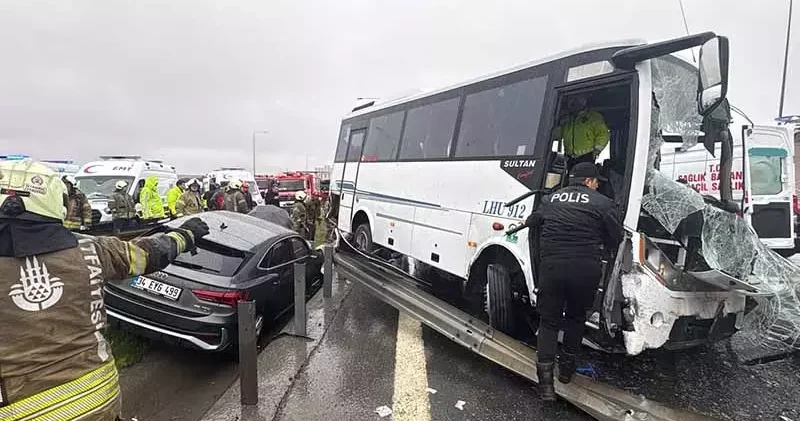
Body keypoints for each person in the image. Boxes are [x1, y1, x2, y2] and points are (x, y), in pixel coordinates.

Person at [0, 159, 210, 421]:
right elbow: (147, 254)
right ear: (56, 202)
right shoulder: (92, 250)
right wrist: (185, 236)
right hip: (98, 398)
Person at [528, 162, 623, 401]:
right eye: (597, 181)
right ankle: (567, 372)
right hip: (585, 269)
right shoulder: (602, 203)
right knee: (575, 318)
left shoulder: (551, 199)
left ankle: (546, 387)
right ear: (589, 182)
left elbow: (535, 221)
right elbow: (616, 237)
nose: (598, 184)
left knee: (548, 322)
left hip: (552, 268)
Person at [554, 95, 610, 166]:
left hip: (586, 157)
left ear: (584, 102)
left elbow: (603, 134)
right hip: (568, 158)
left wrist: (596, 151)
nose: (573, 103)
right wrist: (559, 123)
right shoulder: (567, 119)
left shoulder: (593, 116)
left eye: (576, 100)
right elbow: (556, 136)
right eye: (571, 100)